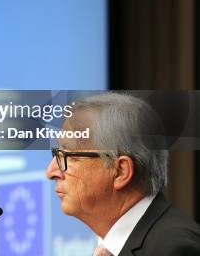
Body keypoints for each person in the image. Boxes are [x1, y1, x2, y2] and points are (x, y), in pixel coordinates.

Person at [46, 93, 200, 256]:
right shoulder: (113, 247)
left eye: (69, 157)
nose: (51, 172)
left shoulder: (172, 249)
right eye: (56, 154)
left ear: (120, 171)